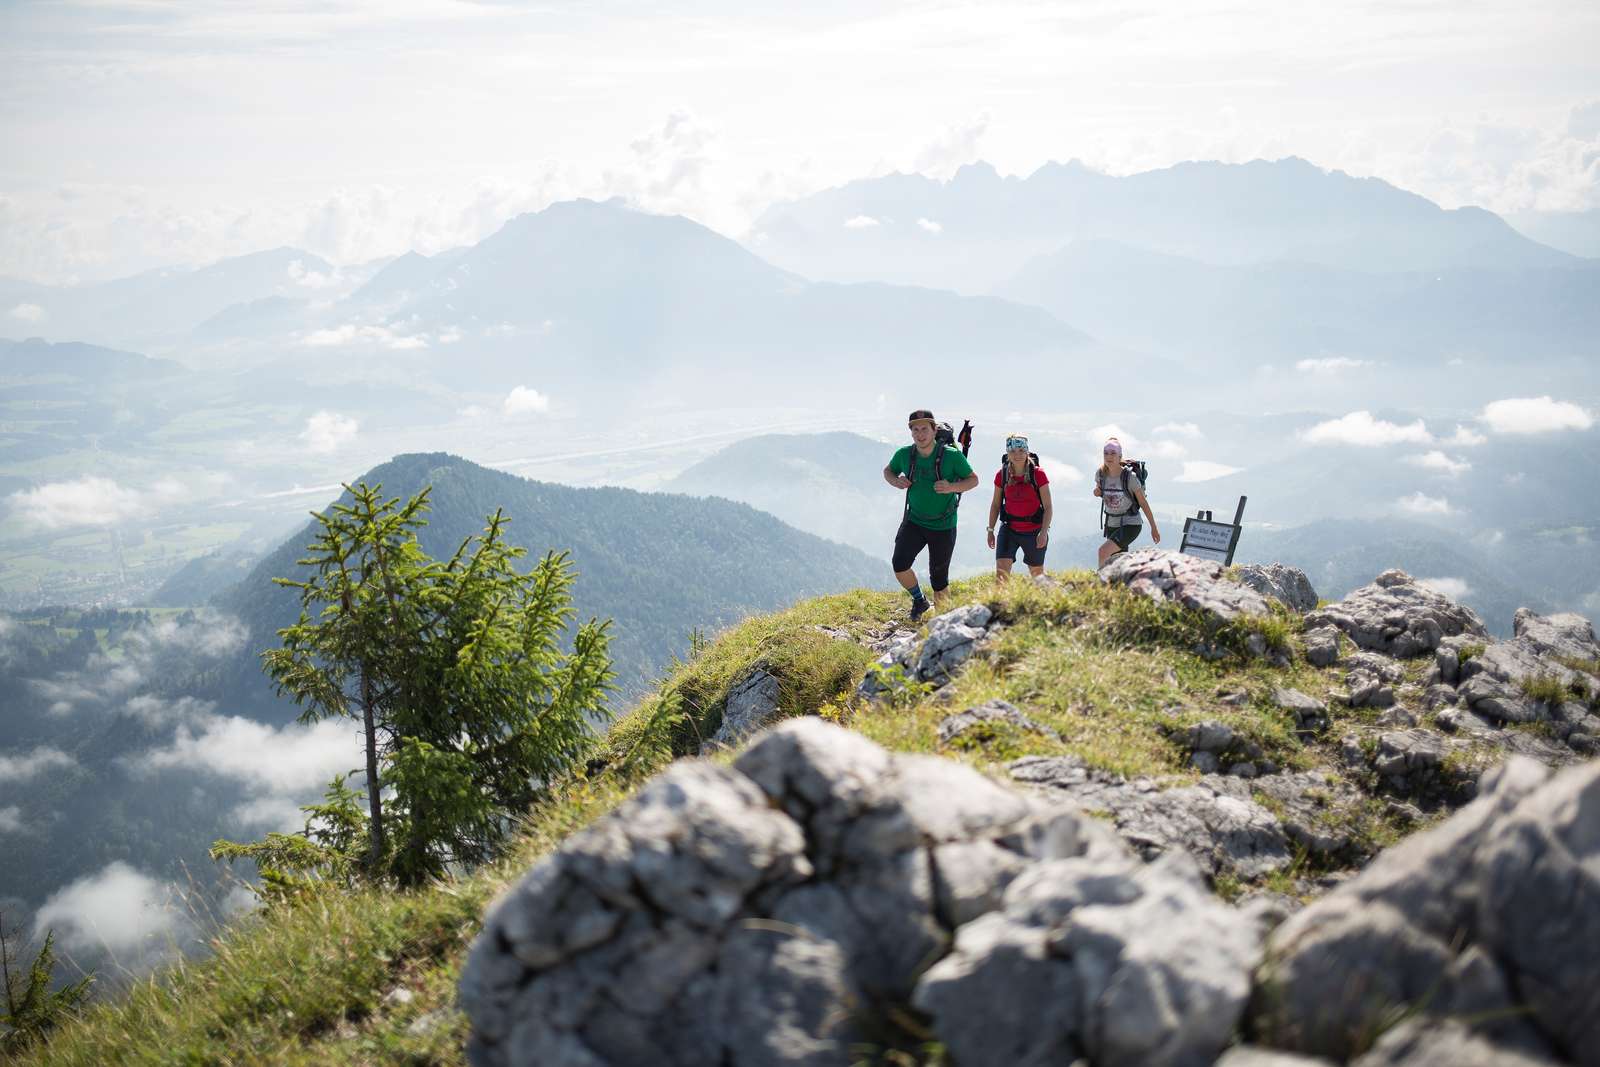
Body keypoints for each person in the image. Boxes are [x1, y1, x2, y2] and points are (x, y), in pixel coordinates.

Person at [883, 409, 979, 621]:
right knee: (900, 565)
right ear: (911, 432)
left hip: (943, 525)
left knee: (939, 580)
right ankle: (920, 601)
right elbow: (888, 471)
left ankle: (943, 624)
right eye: (915, 430)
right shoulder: (904, 455)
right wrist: (896, 481)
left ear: (934, 430)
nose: (920, 434)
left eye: (924, 429)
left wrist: (951, 487)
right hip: (914, 521)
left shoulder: (951, 456)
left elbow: (973, 480)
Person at [986, 433, 1052, 582]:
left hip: (1034, 531)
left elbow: (1048, 507)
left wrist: (1043, 532)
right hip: (1009, 529)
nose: (1017, 455)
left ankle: (1049, 594)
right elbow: (995, 505)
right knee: (1001, 575)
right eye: (1013, 451)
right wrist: (990, 530)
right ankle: (1001, 599)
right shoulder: (1002, 475)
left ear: (1027, 451)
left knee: (1038, 576)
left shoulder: (1038, 474)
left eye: (1021, 450)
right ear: (1007, 453)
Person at [1093, 437, 1160, 567]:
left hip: (1130, 524)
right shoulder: (1100, 474)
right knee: (1117, 563)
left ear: (1120, 456)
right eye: (1106, 453)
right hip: (1111, 524)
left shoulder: (1129, 477)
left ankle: (1100, 579)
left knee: (1103, 552)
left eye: (1113, 453)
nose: (1109, 456)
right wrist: (1097, 491)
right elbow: (1099, 490)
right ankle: (1126, 579)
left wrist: (1154, 528)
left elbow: (1143, 503)